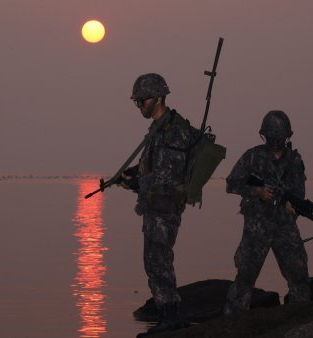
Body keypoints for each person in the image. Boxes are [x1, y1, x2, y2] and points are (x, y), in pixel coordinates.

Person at [120, 73, 196, 336]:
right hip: (155, 205)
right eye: (137, 102)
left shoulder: (173, 130)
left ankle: (171, 316)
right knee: (154, 260)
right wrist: (131, 175)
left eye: (143, 100)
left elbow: (168, 174)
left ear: (160, 97)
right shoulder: (158, 129)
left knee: (159, 260)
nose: (140, 106)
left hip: (166, 206)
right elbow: (151, 165)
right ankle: (168, 313)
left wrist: (136, 183)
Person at [224, 110, 310, 314]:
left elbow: (299, 192)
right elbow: (231, 183)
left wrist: (293, 207)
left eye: (279, 138)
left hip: (285, 226)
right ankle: (233, 320)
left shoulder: (295, 161)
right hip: (256, 226)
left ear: (287, 136)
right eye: (270, 137)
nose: (275, 142)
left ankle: (300, 318)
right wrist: (257, 191)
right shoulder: (252, 156)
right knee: (245, 275)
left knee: (299, 274)